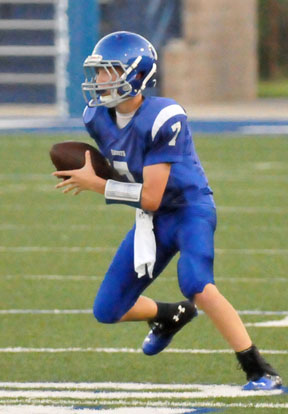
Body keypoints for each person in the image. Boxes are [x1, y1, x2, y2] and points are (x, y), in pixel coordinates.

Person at [53, 31, 282, 390]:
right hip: (153, 220)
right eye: (97, 71)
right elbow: (125, 168)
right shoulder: (95, 117)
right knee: (108, 309)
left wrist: (96, 184)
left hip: (189, 209)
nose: (98, 80)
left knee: (198, 284)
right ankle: (169, 315)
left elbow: (152, 196)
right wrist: (99, 173)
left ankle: (259, 369)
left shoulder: (163, 116)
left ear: (136, 75)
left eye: (108, 71)